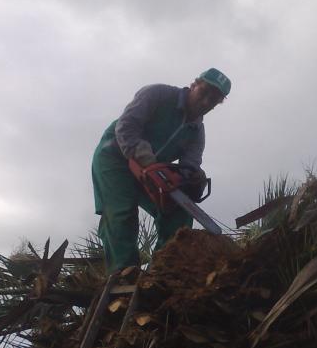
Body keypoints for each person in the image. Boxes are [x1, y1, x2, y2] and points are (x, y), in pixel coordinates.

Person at [92, 68, 231, 273]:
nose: (205, 102)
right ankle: (123, 273)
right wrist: (146, 159)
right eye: (204, 93)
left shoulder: (196, 132)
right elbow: (127, 127)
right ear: (194, 85)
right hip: (115, 158)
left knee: (178, 211)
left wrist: (190, 179)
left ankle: (162, 270)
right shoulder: (157, 95)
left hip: (151, 172)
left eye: (213, 100)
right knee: (121, 213)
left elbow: (190, 164)